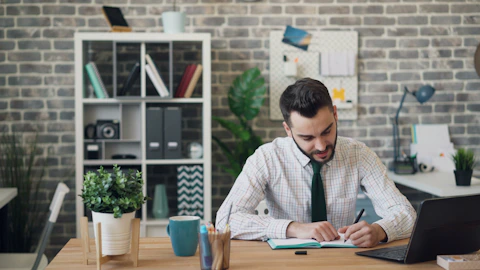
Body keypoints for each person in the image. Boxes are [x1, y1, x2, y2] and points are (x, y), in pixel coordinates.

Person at [215, 78, 416, 248]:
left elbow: (406, 214)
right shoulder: (267, 158)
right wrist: (294, 228)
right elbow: (226, 220)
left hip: (342, 262)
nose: (320, 146)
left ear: (335, 115)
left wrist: (379, 230)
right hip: (284, 263)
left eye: (327, 131)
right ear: (288, 129)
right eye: (307, 138)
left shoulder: (359, 154)